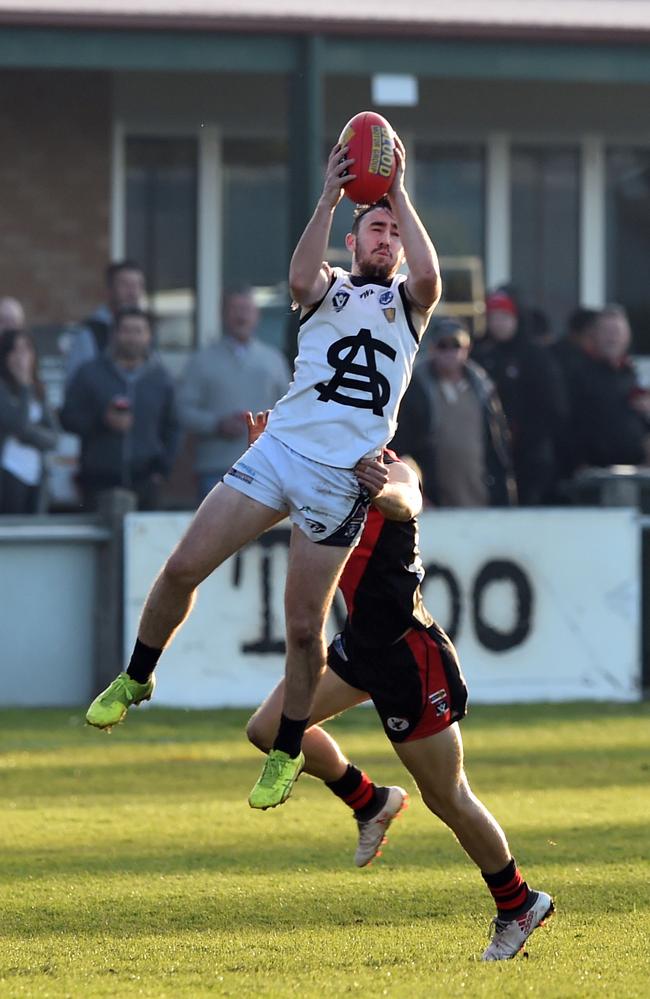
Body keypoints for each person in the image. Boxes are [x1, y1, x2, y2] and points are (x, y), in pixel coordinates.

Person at [84, 135, 441, 812]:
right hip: (277, 451)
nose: (386, 240)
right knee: (183, 565)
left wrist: (397, 191)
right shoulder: (328, 287)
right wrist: (331, 196)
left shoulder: (409, 304)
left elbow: (431, 278)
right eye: (376, 230)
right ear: (354, 236)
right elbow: (298, 278)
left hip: (339, 481)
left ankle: (286, 746)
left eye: (393, 232)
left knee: (305, 628)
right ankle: (136, 676)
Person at [245, 414, 553, 961]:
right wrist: (266, 469)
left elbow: (404, 501)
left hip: (409, 658)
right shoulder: (325, 473)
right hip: (359, 649)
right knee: (269, 730)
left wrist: (382, 488)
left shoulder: (394, 467)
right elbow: (297, 518)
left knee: (448, 797)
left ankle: (518, 903)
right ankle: (371, 802)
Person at [177, 287, 291, 503]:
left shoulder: (273, 360)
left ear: (256, 316)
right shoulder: (201, 361)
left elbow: (289, 410)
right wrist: (216, 424)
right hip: (214, 469)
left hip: (264, 467)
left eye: (247, 309)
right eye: (235, 309)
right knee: (214, 534)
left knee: (260, 536)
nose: (241, 315)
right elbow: (182, 410)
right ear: (223, 315)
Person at [60, 307, 180, 511]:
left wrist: (162, 469)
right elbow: (67, 417)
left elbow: (173, 427)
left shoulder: (162, 379)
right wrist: (102, 422)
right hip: (99, 478)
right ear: (114, 334)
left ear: (149, 336)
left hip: (145, 479)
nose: (132, 338)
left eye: (138, 331)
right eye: (126, 331)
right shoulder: (89, 373)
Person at [392, 317, 516, 507]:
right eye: (443, 345)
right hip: (435, 500)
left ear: (467, 349)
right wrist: (417, 494)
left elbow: (498, 445)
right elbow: (401, 446)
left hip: (482, 497)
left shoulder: (483, 389)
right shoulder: (414, 390)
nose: (450, 352)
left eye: (456, 345)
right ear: (432, 348)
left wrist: (504, 494)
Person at [472, 289, 567, 505]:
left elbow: (552, 406)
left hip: (530, 454)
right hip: (489, 453)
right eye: (493, 317)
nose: (499, 324)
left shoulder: (536, 357)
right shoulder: (480, 355)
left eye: (505, 317)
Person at [567, 305, 650, 471]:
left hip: (634, 470)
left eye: (617, 331)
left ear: (627, 336)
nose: (613, 337)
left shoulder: (633, 374)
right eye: (607, 331)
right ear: (595, 335)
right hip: (594, 471)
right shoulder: (579, 373)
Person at [0, 329, 58, 513]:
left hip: (35, 474)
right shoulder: (3, 389)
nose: (21, 357)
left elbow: (54, 438)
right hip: (8, 472)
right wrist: (24, 385)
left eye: (26, 350)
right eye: (15, 350)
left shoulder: (39, 391)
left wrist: (28, 435)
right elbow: (16, 423)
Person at [64, 260, 146, 385]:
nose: (132, 292)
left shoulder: (147, 330)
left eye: (137, 285)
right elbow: (76, 383)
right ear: (109, 289)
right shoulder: (89, 332)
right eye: (125, 284)